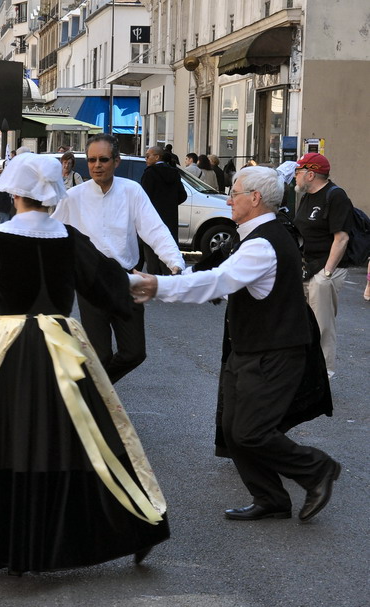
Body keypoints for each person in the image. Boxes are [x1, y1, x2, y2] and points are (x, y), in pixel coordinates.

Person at [0, 153, 169, 573]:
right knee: (90, 439)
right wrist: (144, 284)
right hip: (63, 347)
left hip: (10, 347)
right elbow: (108, 281)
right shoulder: (69, 237)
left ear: (15, 193)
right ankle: (134, 524)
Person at [133, 166, 341, 523]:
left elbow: (219, 282)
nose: (228, 198)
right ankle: (271, 498)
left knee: (250, 431)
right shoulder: (256, 237)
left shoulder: (263, 244)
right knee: (232, 431)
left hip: (273, 351)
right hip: (251, 349)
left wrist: (157, 287)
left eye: (235, 192)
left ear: (255, 199)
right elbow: (215, 276)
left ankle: (316, 468)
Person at [52, 134, 184, 384]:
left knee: (134, 353)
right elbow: (53, 235)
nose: (96, 165)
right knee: (99, 355)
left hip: (128, 280)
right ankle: (95, 403)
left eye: (103, 159)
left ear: (117, 161)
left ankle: (91, 392)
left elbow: (154, 229)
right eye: (91, 160)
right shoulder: (74, 196)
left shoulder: (132, 191)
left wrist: (175, 263)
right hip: (91, 282)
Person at [293, 153, 354, 378]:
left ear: (311, 174)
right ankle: (303, 371)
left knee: (322, 325)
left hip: (325, 271)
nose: (295, 178)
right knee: (301, 323)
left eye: (298, 173)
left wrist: (326, 274)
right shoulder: (306, 196)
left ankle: (322, 375)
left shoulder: (335, 196)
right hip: (306, 268)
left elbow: (342, 238)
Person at [140, 145, 188, 275]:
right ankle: (169, 287)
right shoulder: (174, 172)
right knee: (169, 256)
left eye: (148, 155)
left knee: (152, 260)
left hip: (152, 221)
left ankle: (155, 288)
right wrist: (170, 204)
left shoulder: (149, 173)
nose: (146, 158)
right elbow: (183, 196)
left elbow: (143, 199)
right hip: (170, 220)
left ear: (157, 157)